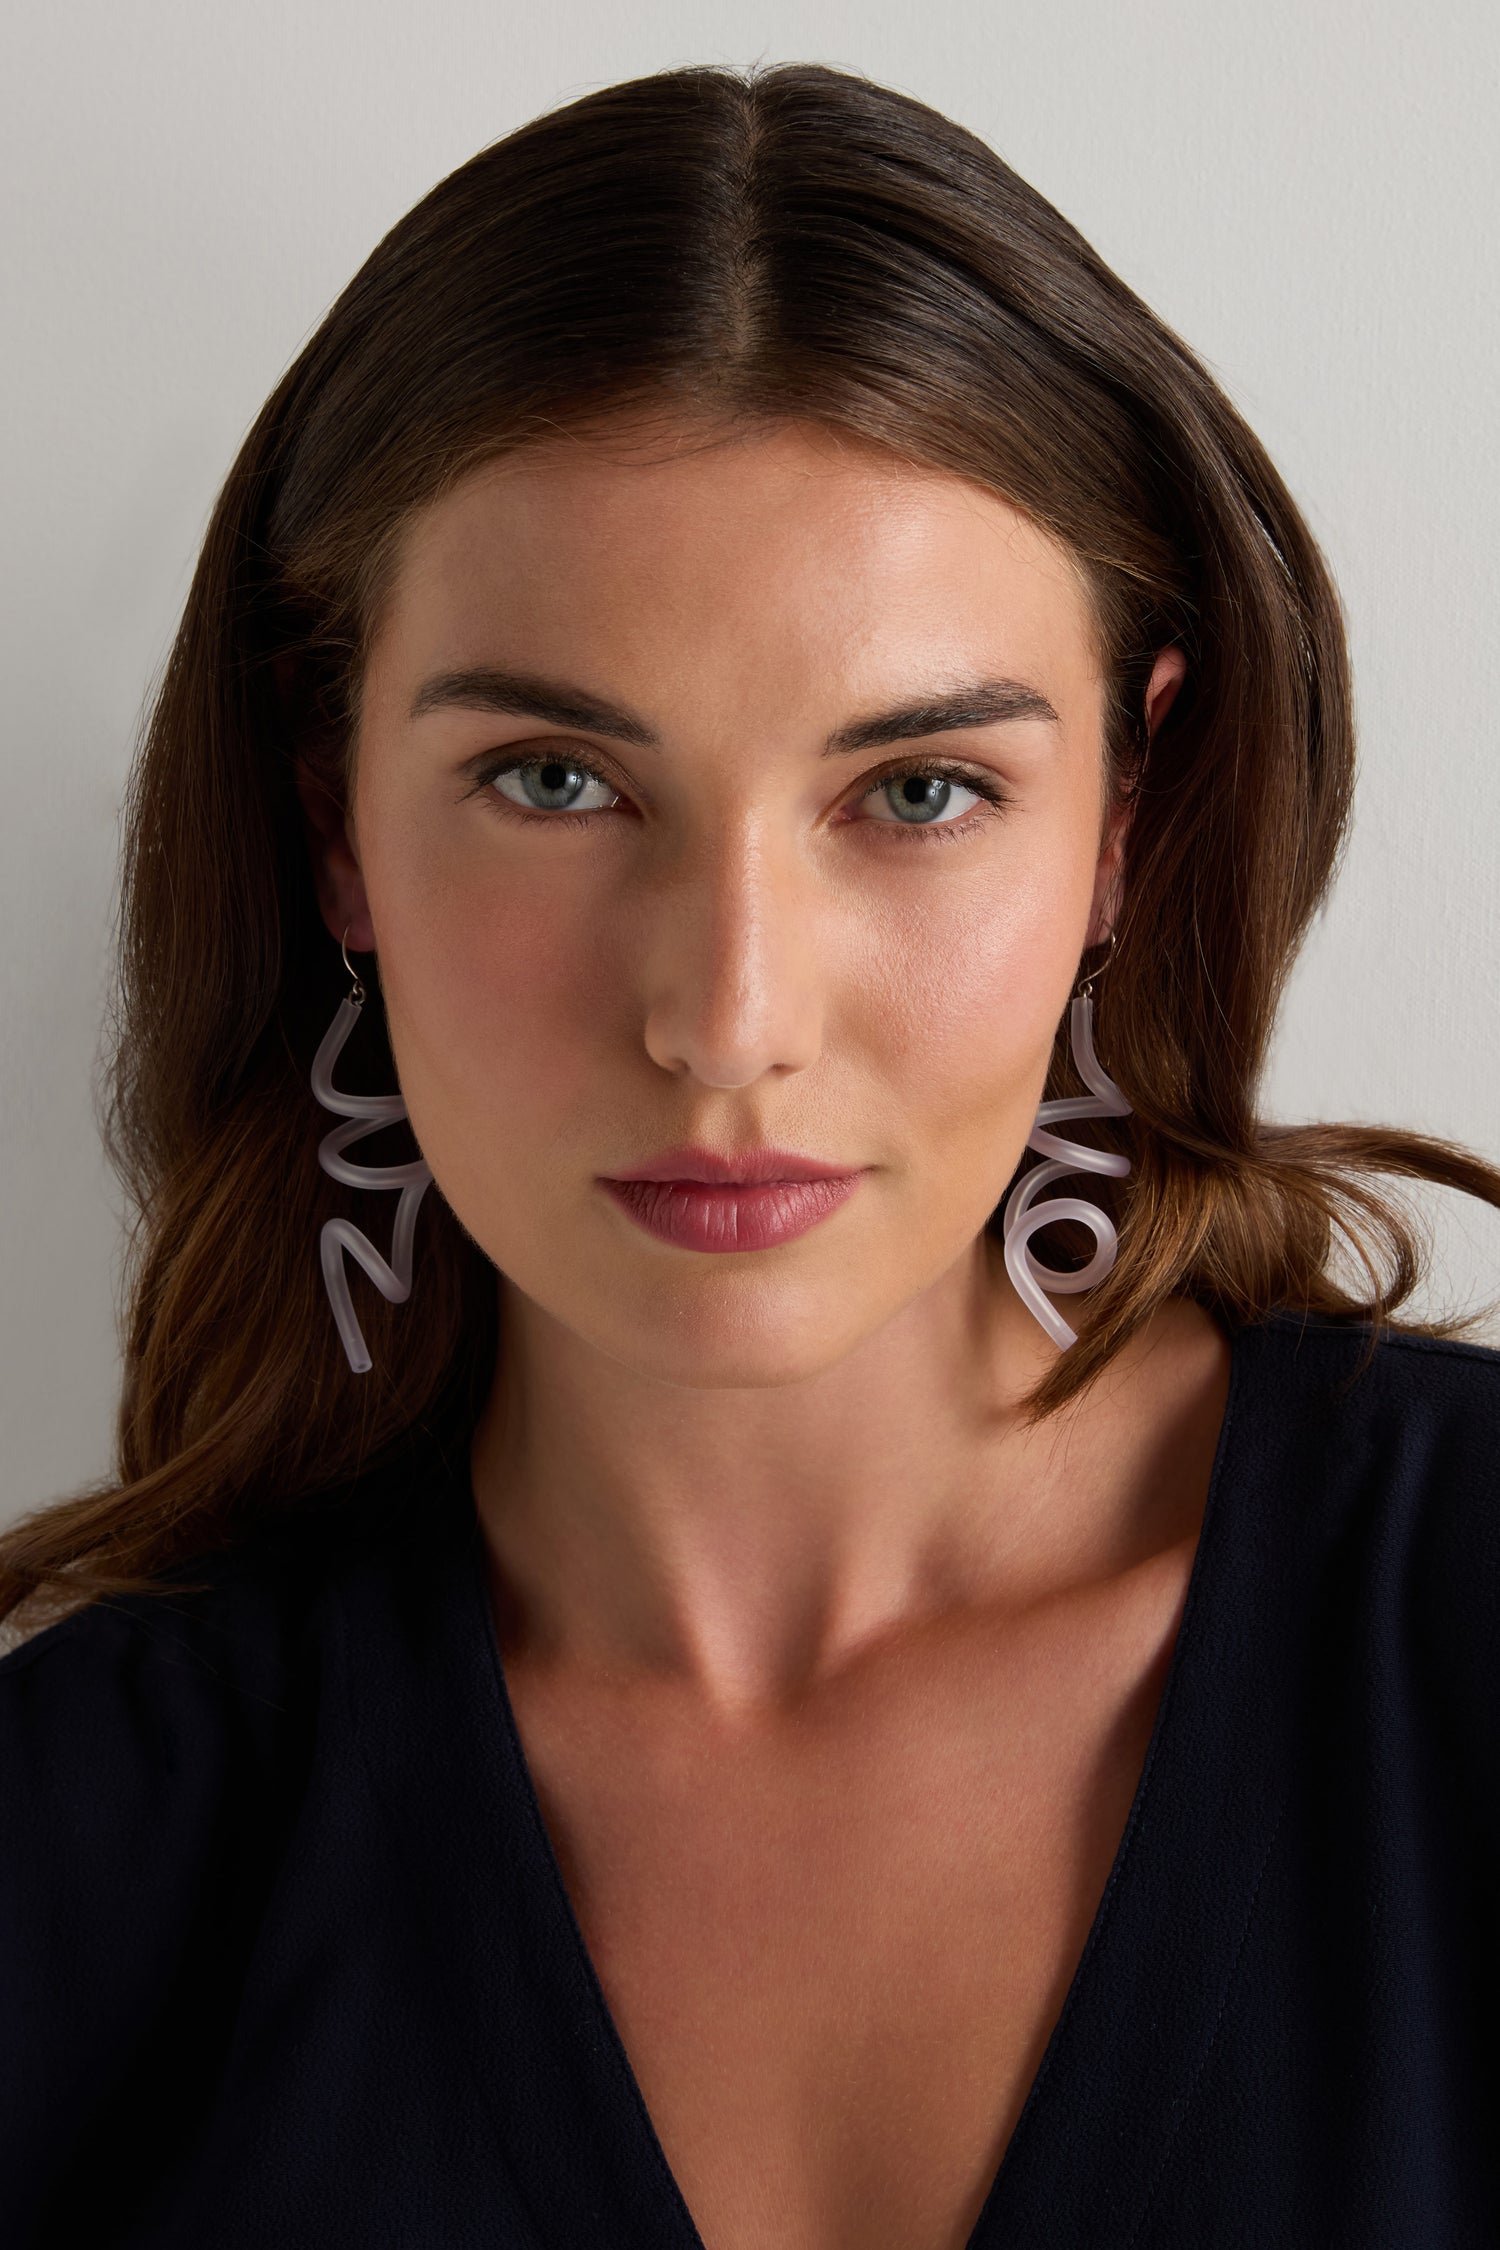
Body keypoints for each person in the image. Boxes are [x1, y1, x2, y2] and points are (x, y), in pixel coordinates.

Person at [2, 58, 1497, 2250]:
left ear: (1131, 823)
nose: (727, 1018)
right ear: (334, 825)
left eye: (914, 795)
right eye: (551, 781)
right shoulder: (78, 1852)